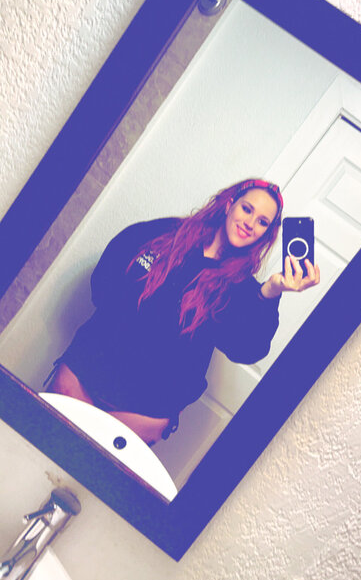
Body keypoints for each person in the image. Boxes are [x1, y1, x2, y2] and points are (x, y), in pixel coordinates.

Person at [45, 179, 320, 444]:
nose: (250, 223)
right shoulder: (165, 234)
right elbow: (106, 278)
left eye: (262, 222)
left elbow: (246, 349)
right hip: (82, 378)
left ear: (267, 233)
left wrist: (270, 292)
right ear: (230, 205)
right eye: (247, 209)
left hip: (141, 414)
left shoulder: (242, 289)